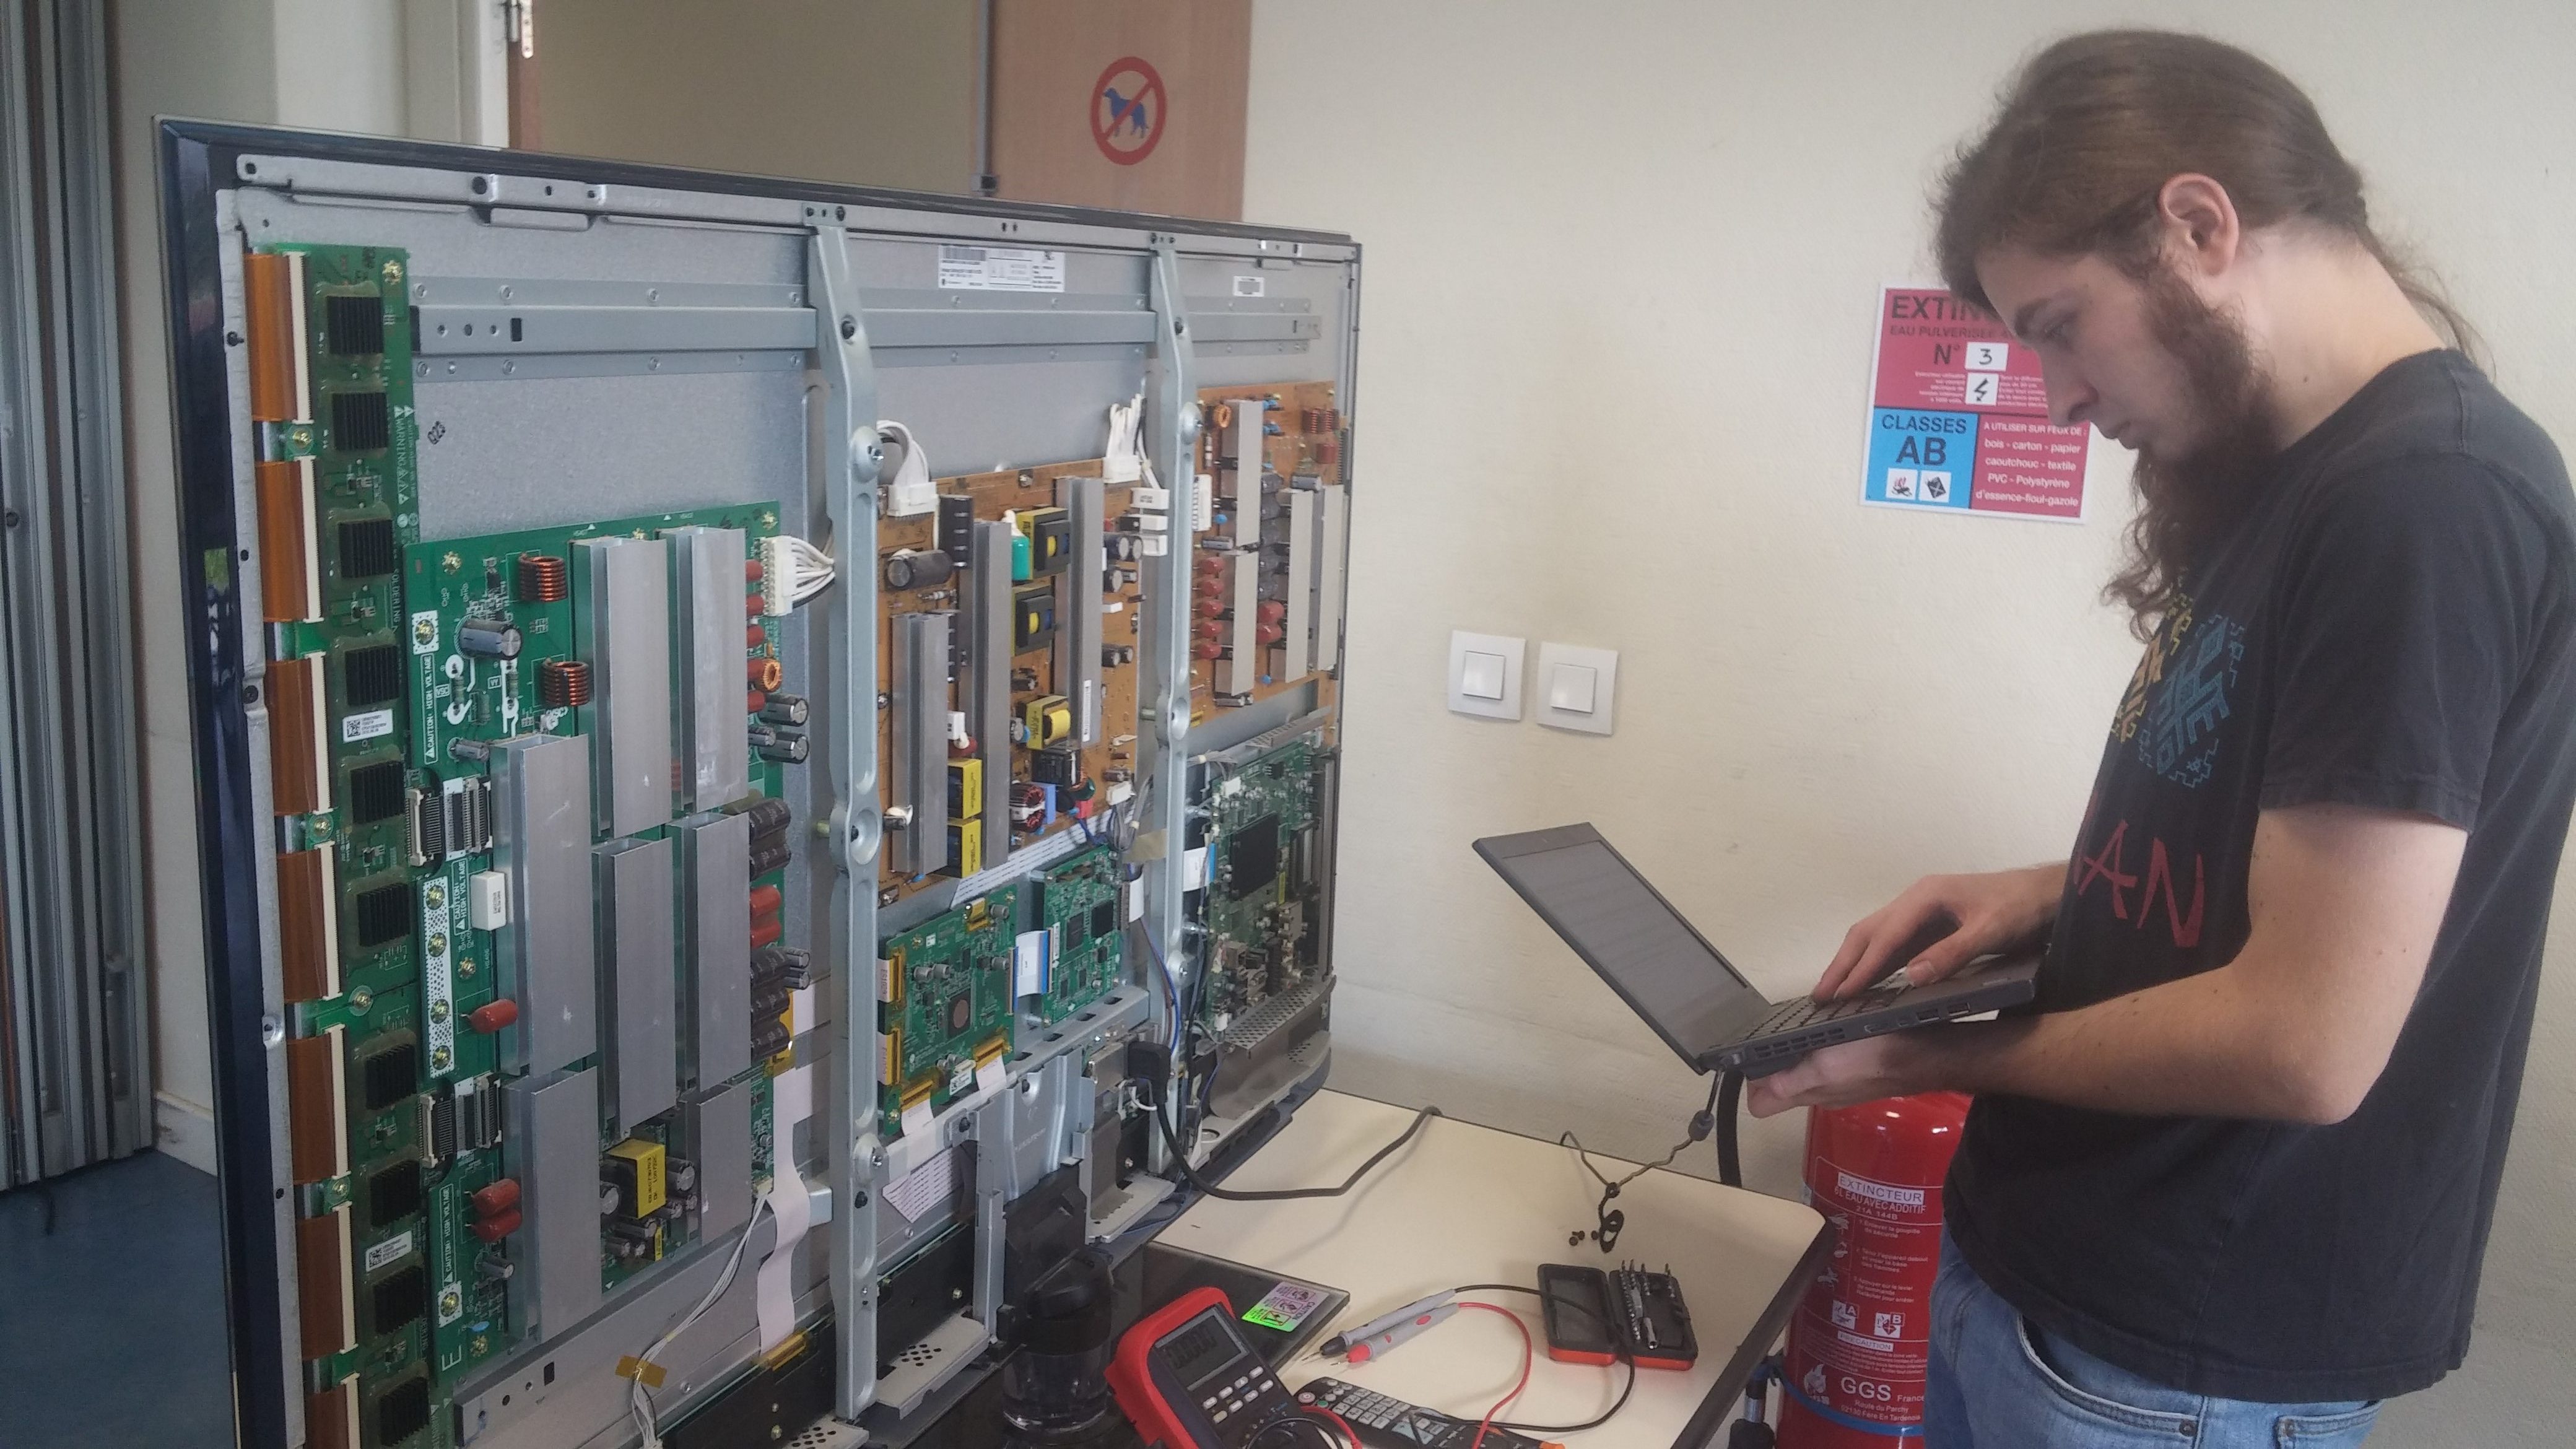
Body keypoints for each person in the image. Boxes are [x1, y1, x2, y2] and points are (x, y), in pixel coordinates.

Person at [1745, 30, 2575, 1449]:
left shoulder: (2422, 501)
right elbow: (2275, 861)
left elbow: (2305, 1041)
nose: (2058, 399)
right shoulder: (2296, 473)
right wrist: (2048, 895)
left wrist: (1939, 1055)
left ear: (2199, 225)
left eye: (2059, 325)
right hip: (2055, 1291)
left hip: (2176, 1358)